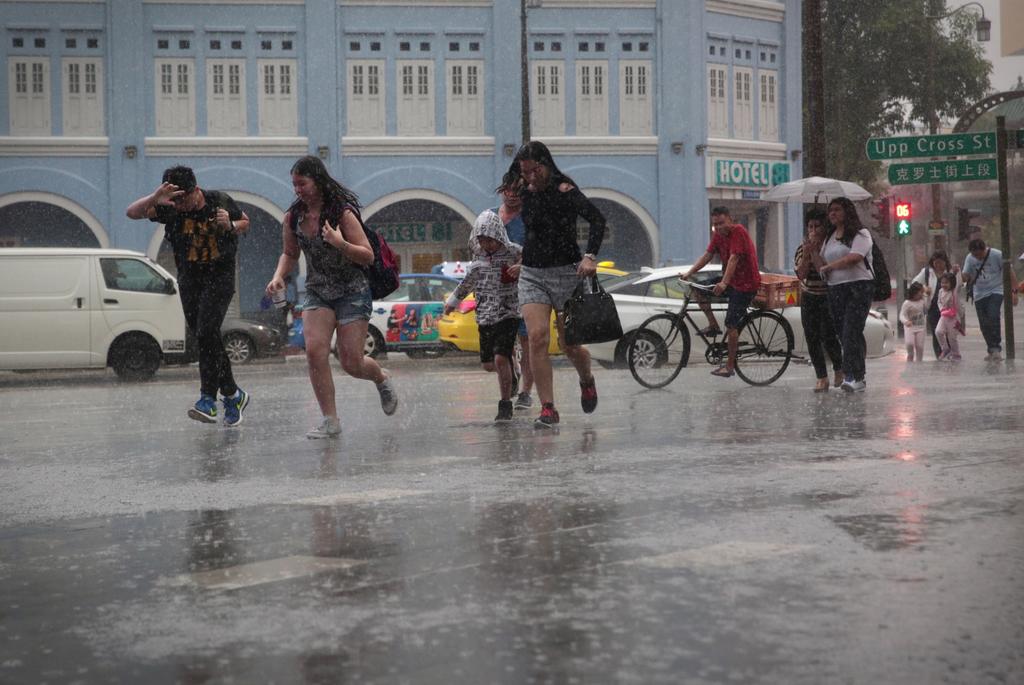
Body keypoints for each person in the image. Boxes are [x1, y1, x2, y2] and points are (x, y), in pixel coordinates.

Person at [266, 156, 397, 439]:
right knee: (315, 351)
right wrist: (278, 276)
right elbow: (290, 254)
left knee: (351, 362)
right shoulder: (294, 217)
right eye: (294, 184)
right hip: (318, 291)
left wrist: (339, 243)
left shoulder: (342, 213)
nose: (297, 189)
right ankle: (330, 419)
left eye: (302, 183)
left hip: (352, 290)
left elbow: (367, 255)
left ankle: (381, 378)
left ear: (318, 181)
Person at [126, 166, 251, 426]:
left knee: (206, 332)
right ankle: (232, 393)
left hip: (220, 277)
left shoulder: (218, 200)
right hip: (190, 280)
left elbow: (245, 222)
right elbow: (132, 213)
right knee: (207, 337)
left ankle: (207, 399)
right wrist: (156, 196)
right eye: (174, 199)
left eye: (182, 199)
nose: (178, 205)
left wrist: (230, 223)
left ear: (195, 191)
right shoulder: (168, 207)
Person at [514, 141, 606, 428]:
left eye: (534, 170)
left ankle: (586, 379)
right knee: (538, 337)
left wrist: (589, 257)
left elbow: (597, 220)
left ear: (545, 164)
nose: (530, 177)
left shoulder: (565, 189)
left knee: (570, 345)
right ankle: (548, 408)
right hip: (532, 274)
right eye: (525, 171)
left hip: (567, 273)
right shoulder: (522, 190)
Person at [444, 212, 523, 422]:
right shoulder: (477, 261)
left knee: (499, 358)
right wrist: (452, 302)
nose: (486, 245)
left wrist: (520, 267)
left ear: (498, 236)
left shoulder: (513, 251)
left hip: (509, 312)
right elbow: (466, 284)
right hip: (485, 315)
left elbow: (533, 261)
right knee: (489, 365)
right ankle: (513, 368)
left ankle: (505, 405)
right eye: (482, 241)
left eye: (489, 240)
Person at [680, 207, 761, 379]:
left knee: (731, 324)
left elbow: (734, 258)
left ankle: (730, 366)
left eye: (721, 223)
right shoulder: (717, 235)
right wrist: (689, 273)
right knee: (698, 289)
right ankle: (713, 325)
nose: (719, 227)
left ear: (730, 219)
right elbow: (707, 255)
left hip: (746, 284)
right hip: (731, 280)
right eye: (715, 224)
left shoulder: (739, 232)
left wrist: (724, 282)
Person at [814, 196, 874, 392]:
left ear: (847, 212)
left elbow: (854, 258)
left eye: (837, 210)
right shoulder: (830, 237)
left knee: (851, 331)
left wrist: (831, 266)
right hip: (835, 289)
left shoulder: (860, 234)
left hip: (858, 288)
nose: (832, 213)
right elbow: (821, 267)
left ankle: (852, 376)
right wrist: (812, 249)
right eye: (830, 210)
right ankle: (858, 376)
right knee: (843, 334)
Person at [794, 208, 843, 391]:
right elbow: (801, 273)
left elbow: (824, 271)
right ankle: (821, 376)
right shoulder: (802, 248)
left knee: (828, 335)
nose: (813, 230)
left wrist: (815, 253)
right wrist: (807, 254)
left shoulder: (831, 248)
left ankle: (839, 368)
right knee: (812, 337)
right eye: (810, 227)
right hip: (809, 296)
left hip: (828, 296)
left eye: (817, 226)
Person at [962, 238, 1018, 362]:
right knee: (984, 323)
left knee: (993, 316)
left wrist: (1014, 292)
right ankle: (991, 348)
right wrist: (958, 275)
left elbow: (1009, 271)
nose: (977, 258)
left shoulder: (997, 255)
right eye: (974, 255)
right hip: (979, 293)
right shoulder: (970, 258)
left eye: (979, 255)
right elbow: (965, 276)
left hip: (996, 290)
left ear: (984, 249)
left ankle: (996, 349)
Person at [911, 250, 962, 359]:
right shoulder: (927, 272)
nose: (938, 265)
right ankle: (940, 354)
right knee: (937, 332)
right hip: (933, 307)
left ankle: (953, 353)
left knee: (950, 333)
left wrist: (956, 273)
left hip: (949, 308)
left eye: (941, 262)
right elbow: (914, 283)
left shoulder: (950, 271)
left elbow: (958, 286)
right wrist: (924, 289)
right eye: (936, 262)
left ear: (945, 262)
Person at [935, 273, 963, 362]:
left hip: (953, 318)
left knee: (952, 338)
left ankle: (956, 354)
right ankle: (945, 348)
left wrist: (958, 272)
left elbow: (959, 282)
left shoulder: (954, 292)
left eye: (946, 283)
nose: (944, 285)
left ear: (952, 283)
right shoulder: (940, 291)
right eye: (942, 283)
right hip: (943, 316)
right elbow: (939, 301)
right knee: (938, 331)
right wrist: (941, 309)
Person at [900, 282, 927, 363]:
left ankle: (919, 362)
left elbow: (928, 307)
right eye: (920, 292)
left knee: (920, 346)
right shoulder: (907, 303)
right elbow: (901, 315)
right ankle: (910, 357)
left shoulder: (922, 301)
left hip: (921, 327)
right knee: (909, 343)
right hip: (910, 328)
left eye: (922, 292)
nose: (922, 294)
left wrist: (928, 296)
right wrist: (906, 321)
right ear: (914, 292)